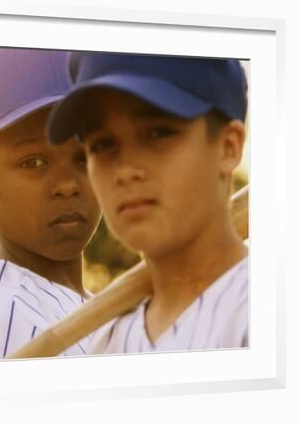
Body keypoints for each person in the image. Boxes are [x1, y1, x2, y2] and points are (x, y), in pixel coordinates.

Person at [48, 52, 249, 353]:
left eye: (157, 133)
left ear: (228, 146)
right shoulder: (104, 346)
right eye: (102, 144)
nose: (126, 171)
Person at [0, 48, 101, 362]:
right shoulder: (11, 315)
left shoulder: (79, 306)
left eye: (84, 156)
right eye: (33, 161)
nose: (67, 185)